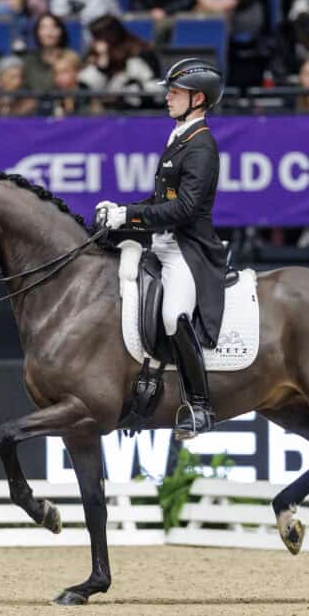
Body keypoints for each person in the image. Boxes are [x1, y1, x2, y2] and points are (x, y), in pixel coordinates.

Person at [95, 58, 228, 440]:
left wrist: (130, 215)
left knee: (173, 316)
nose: (167, 96)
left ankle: (200, 407)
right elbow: (160, 198)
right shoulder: (180, 137)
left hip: (188, 249)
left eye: (175, 92)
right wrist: (121, 215)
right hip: (164, 243)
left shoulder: (201, 146)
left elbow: (184, 209)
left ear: (197, 99)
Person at [78, 14, 163, 105]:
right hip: (105, 110)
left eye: (98, 37)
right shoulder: (96, 55)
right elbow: (89, 86)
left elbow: (153, 85)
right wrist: (102, 67)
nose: (95, 42)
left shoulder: (140, 52)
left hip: (140, 107)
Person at [23, 13, 71, 91]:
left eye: (54, 27)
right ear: (37, 32)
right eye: (43, 27)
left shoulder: (71, 58)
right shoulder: (29, 61)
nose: (49, 32)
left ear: (61, 31)